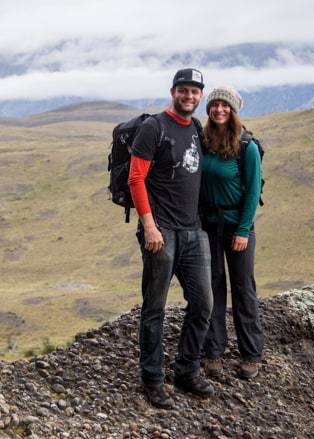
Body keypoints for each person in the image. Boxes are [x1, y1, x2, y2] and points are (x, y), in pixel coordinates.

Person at [127, 68, 215, 409]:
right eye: (184, 90)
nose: (189, 96)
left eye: (195, 91)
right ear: (173, 91)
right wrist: (149, 226)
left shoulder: (195, 127)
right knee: (155, 307)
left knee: (204, 303)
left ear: (200, 96)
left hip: (194, 231)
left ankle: (186, 369)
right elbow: (136, 179)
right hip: (161, 230)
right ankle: (152, 378)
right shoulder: (154, 128)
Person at [199, 85, 264, 379]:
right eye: (215, 105)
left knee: (243, 289)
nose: (219, 109)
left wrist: (243, 230)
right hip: (208, 225)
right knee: (211, 287)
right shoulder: (202, 141)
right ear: (209, 109)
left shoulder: (246, 146)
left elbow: (252, 192)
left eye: (225, 106)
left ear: (233, 110)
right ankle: (214, 351)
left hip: (238, 226)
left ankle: (251, 354)